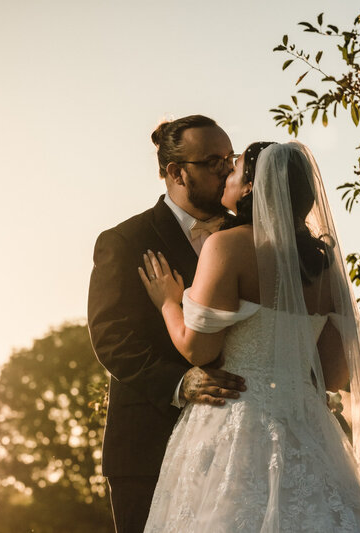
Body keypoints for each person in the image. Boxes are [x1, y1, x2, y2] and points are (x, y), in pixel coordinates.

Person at [139, 141, 360, 532]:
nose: (226, 173)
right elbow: (333, 375)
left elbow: (199, 348)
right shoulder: (325, 266)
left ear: (250, 188)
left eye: (235, 168)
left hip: (236, 420)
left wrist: (168, 303)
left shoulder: (227, 246)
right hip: (308, 429)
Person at [87, 115, 248, 533]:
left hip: (239, 443)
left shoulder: (250, 237)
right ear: (176, 172)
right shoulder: (124, 241)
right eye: (214, 161)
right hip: (148, 446)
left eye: (230, 159)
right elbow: (111, 338)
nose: (227, 170)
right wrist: (181, 383)